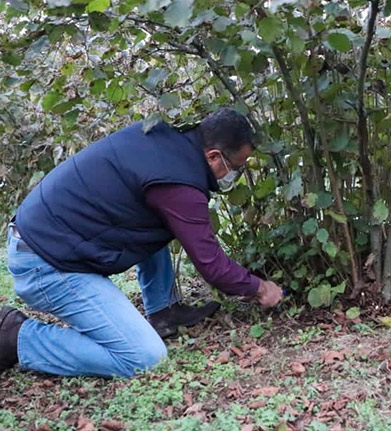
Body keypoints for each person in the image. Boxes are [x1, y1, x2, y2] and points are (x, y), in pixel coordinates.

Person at [0, 108, 283, 377]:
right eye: (235, 167)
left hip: (44, 236)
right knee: (143, 356)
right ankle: (17, 337)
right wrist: (260, 287)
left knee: (158, 217)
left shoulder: (162, 136)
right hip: (46, 263)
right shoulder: (179, 186)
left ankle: (164, 311)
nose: (233, 175)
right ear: (213, 156)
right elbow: (213, 267)